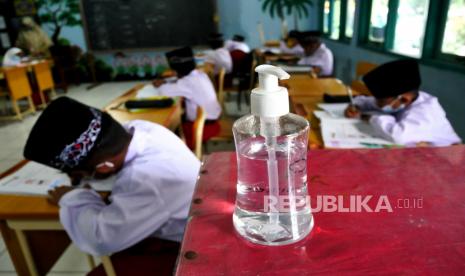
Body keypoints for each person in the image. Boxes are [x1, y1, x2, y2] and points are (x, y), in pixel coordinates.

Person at [23, 97, 201, 258]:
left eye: (80, 175)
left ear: (104, 167)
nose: (79, 180)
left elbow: (101, 240)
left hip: (188, 247)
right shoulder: (140, 128)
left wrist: (71, 196)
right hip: (190, 219)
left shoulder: (143, 180)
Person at [345, 59, 461, 147]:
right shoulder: (400, 99)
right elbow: (369, 102)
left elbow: (397, 136)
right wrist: (355, 105)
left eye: (380, 100)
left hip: (447, 160)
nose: (376, 102)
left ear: (404, 99)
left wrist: (368, 117)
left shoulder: (426, 112)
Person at [154, 46, 222, 148]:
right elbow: (180, 84)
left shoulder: (187, 82)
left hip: (202, 129)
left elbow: (162, 91)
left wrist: (161, 83)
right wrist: (169, 80)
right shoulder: (200, 74)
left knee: (167, 136)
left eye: (175, 71)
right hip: (213, 123)